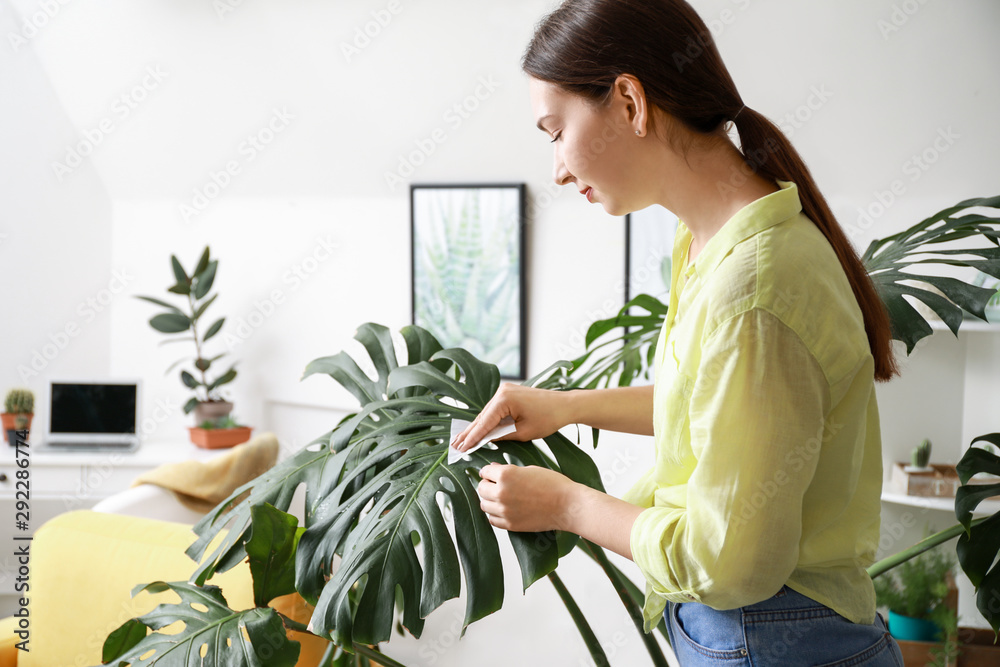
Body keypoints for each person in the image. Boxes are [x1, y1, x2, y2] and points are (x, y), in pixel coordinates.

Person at [451, 1, 906, 665]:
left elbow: (730, 560)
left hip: (773, 637)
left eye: (555, 131)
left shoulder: (753, 288)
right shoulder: (711, 243)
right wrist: (567, 406)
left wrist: (571, 505)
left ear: (630, 102)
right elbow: (708, 405)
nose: (556, 168)